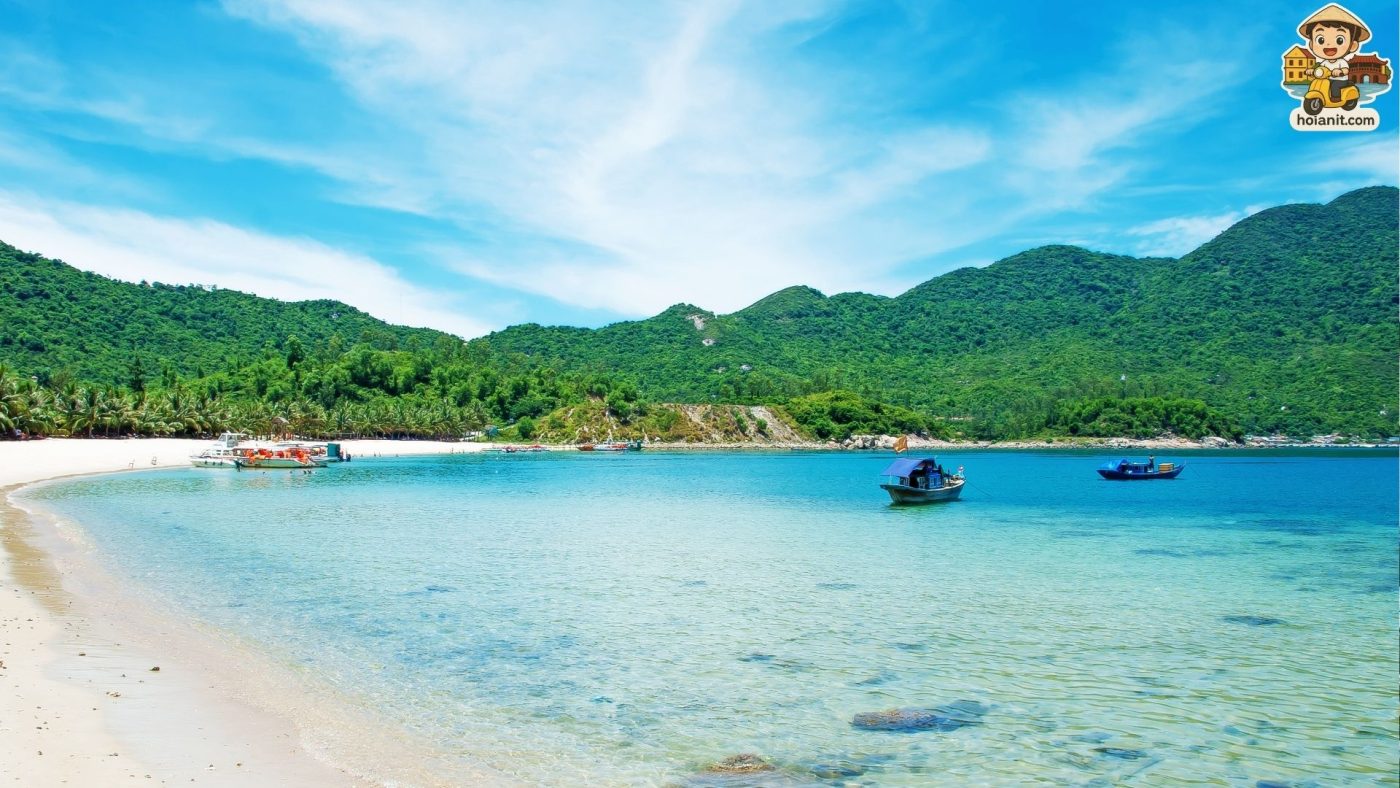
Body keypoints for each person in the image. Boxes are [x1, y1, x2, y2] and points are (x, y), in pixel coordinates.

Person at [1299, 4, 1370, 103]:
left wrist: (1340, 72)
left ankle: (1336, 99)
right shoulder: (1324, 62)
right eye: (1321, 40)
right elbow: (1319, 68)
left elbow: (1345, 70)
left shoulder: (1341, 62)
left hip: (1340, 80)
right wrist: (1311, 70)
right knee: (1317, 83)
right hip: (1326, 80)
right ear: (1311, 44)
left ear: (1353, 45)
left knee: (1334, 86)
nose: (1328, 44)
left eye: (1339, 40)